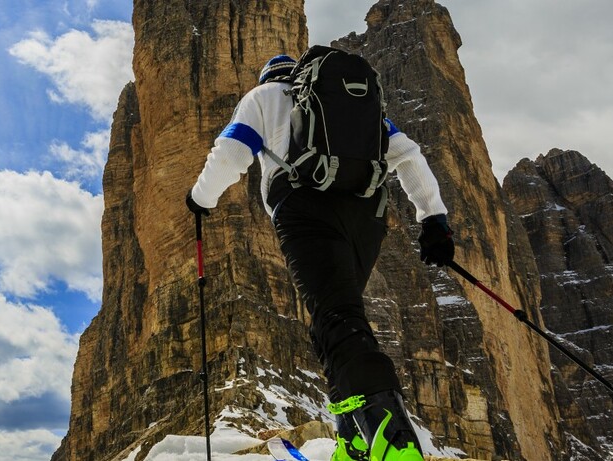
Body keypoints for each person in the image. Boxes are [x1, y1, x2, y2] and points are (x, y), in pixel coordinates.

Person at [185, 54, 456, 461]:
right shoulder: (351, 105)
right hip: (368, 216)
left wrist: (199, 199)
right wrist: (433, 218)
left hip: (304, 208)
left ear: (268, 77)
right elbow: (408, 155)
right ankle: (354, 439)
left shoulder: (262, 96)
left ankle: (394, 443)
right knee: (333, 318)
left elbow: (231, 153)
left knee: (338, 320)